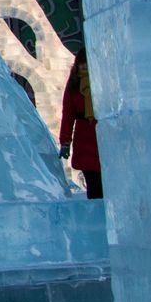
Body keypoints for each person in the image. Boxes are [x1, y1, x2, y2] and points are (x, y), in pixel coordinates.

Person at [58, 50, 102, 199]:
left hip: (103, 134)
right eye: (81, 64)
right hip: (85, 138)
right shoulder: (74, 85)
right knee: (94, 184)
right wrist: (65, 141)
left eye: (87, 63)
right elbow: (68, 115)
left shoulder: (103, 81)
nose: (84, 67)